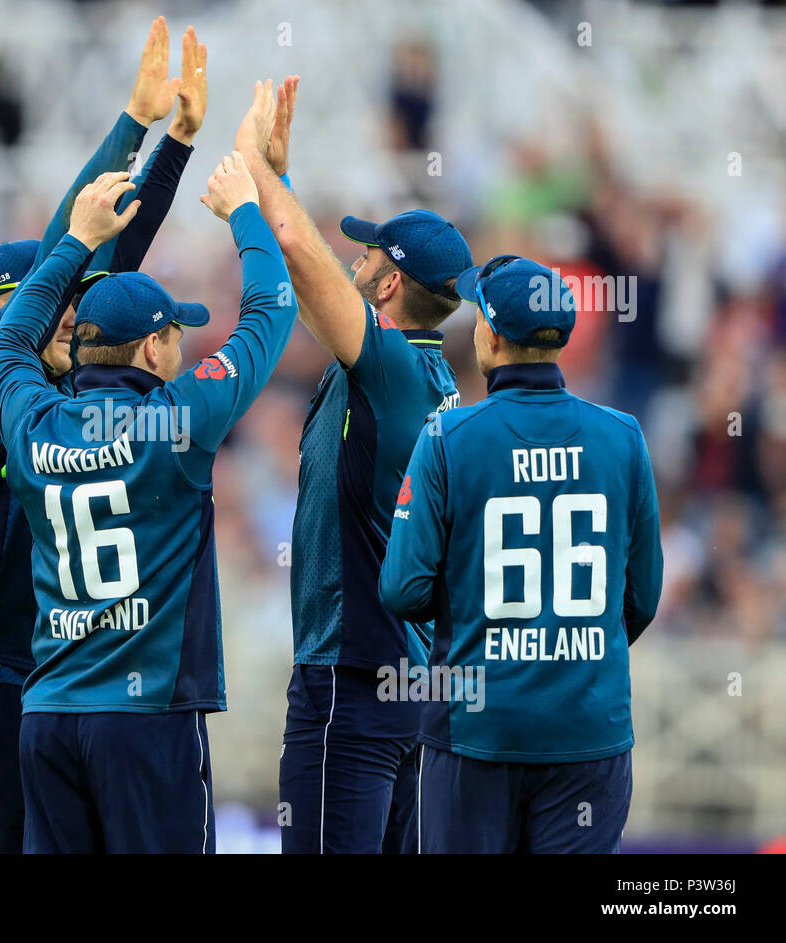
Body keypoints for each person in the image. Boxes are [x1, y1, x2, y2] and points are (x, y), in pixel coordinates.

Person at [0, 18, 205, 853]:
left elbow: (110, 260)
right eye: (55, 297)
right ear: (0, 307)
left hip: (25, 669)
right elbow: (71, 254)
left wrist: (174, 144)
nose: (76, 313)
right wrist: (131, 124)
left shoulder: (44, 388)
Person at [0, 86, 295, 855]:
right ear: (154, 348)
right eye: (175, 336)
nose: (182, 347)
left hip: (49, 715)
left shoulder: (31, 418)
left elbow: (10, 340)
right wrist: (247, 211)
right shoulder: (177, 420)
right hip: (146, 721)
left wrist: (72, 242)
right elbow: (273, 308)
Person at [236, 77, 473, 853]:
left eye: (368, 253)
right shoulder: (419, 374)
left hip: (351, 682)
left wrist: (255, 183)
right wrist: (283, 174)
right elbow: (311, 284)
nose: (356, 259)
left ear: (391, 282)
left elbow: (305, 257)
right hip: (403, 687)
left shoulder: (393, 367)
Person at [379, 255, 664, 853]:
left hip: (476, 729)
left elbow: (402, 589)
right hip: (589, 727)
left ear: (493, 333)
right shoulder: (623, 437)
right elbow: (640, 597)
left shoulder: (447, 437)